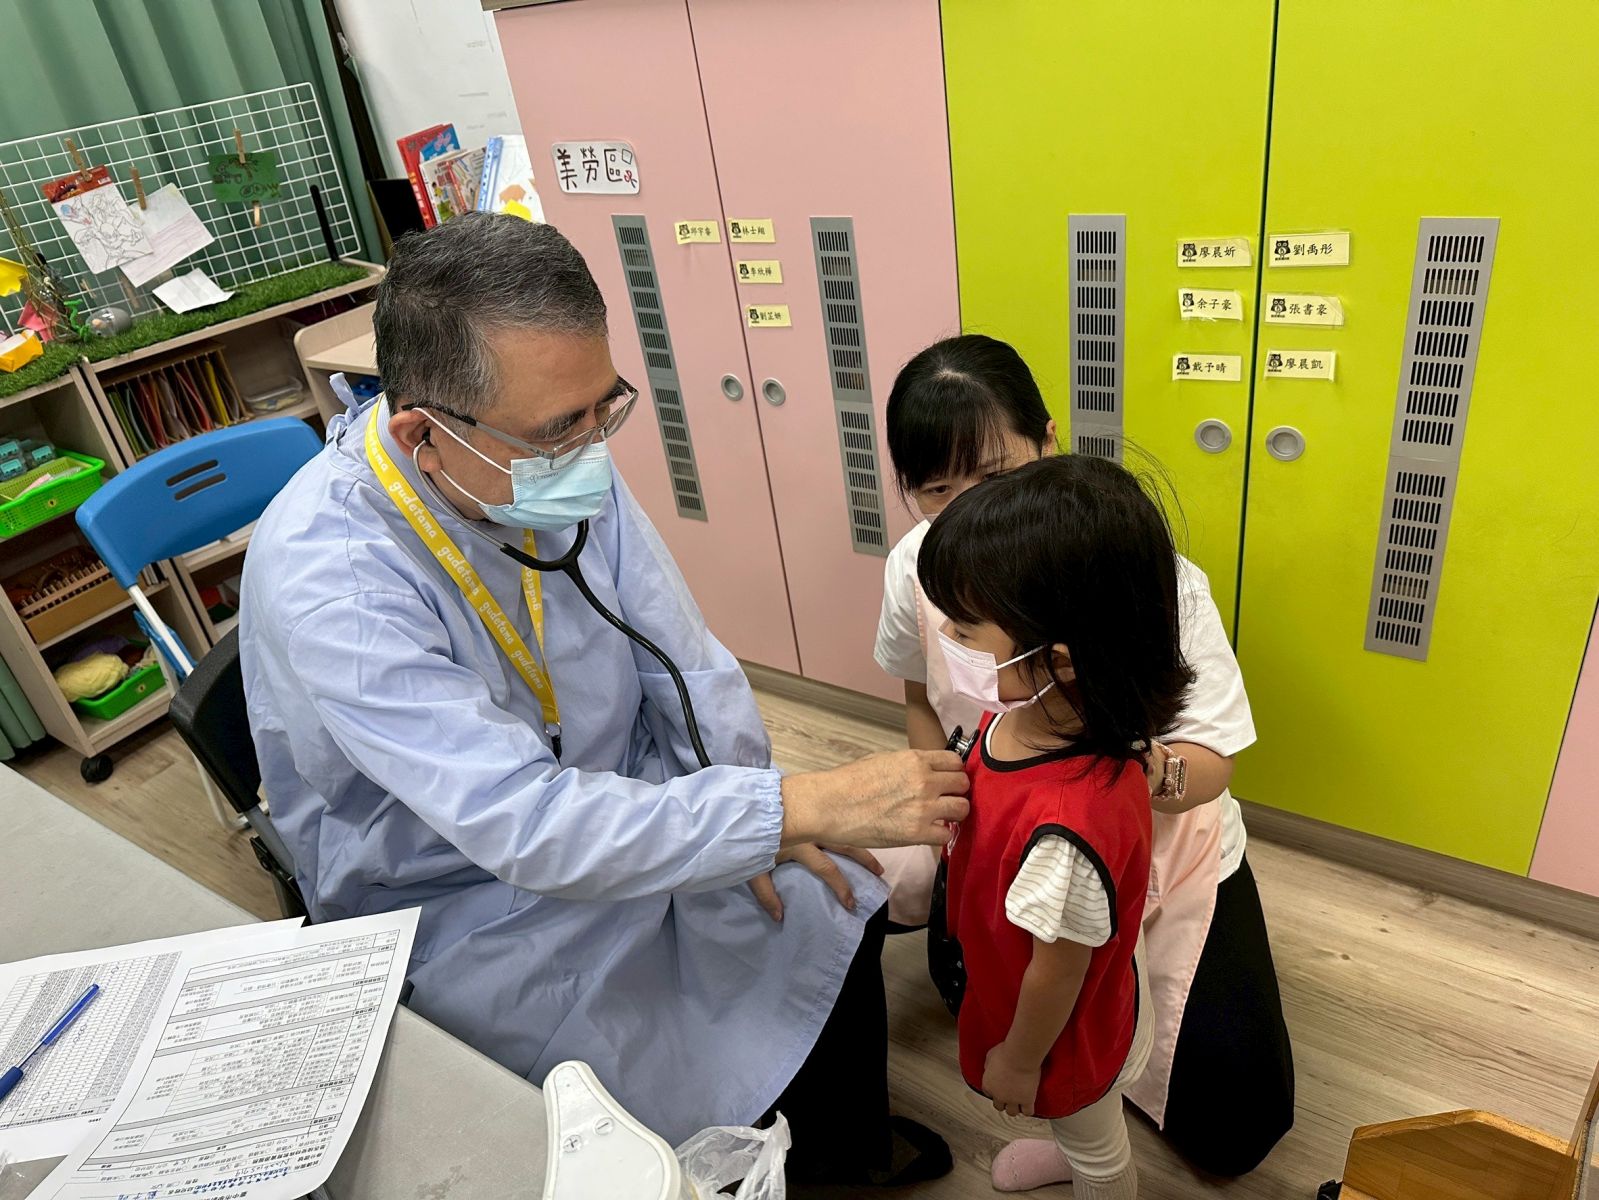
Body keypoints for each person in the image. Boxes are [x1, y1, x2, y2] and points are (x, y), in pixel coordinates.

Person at [239, 214, 969, 1187]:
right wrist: (786, 808)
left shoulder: (536, 455)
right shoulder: (333, 579)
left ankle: (839, 1154)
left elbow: (682, 657)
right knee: (658, 1036)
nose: (590, 448)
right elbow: (526, 826)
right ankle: (759, 1156)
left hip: (628, 800)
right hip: (466, 901)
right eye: (560, 428)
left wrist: (758, 809)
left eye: (603, 408)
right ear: (422, 434)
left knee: (832, 890)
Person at [872, 335, 1295, 1179]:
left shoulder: (1141, 577)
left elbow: (1210, 759)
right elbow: (919, 692)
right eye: (936, 492)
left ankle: (1096, 1110)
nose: (965, 514)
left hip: (1145, 844)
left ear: (1047, 442)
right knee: (988, 982)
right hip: (1008, 834)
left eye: (992, 477)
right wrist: (953, 820)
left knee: (1230, 1125)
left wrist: (1119, 781)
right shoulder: (921, 565)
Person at [920, 454, 1197, 1200]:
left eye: (965, 626)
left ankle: (1087, 1166)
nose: (945, 634)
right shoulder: (1030, 716)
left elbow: (1057, 971)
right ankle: (1068, 1149)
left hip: (1059, 1027)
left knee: (1092, 1137)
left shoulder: (1067, 829)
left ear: (1061, 661)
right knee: (1071, 1124)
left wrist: (1019, 1060)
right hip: (1024, 972)